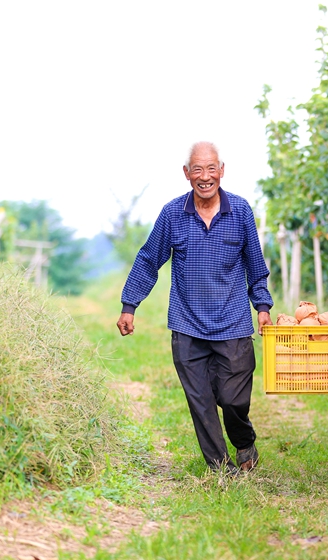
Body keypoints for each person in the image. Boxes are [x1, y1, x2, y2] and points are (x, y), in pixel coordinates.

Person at [116, 141, 273, 476]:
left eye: (211, 168)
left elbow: (255, 264)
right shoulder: (173, 214)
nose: (205, 177)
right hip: (187, 325)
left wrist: (262, 305)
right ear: (187, 174)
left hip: (232, 323)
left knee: (232, 399)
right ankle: (220, 468)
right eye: (197, 170)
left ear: (222, 171)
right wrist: (130, 305)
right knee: (201, 403)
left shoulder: (241, 211)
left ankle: (244, 441)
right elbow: (148, 260)